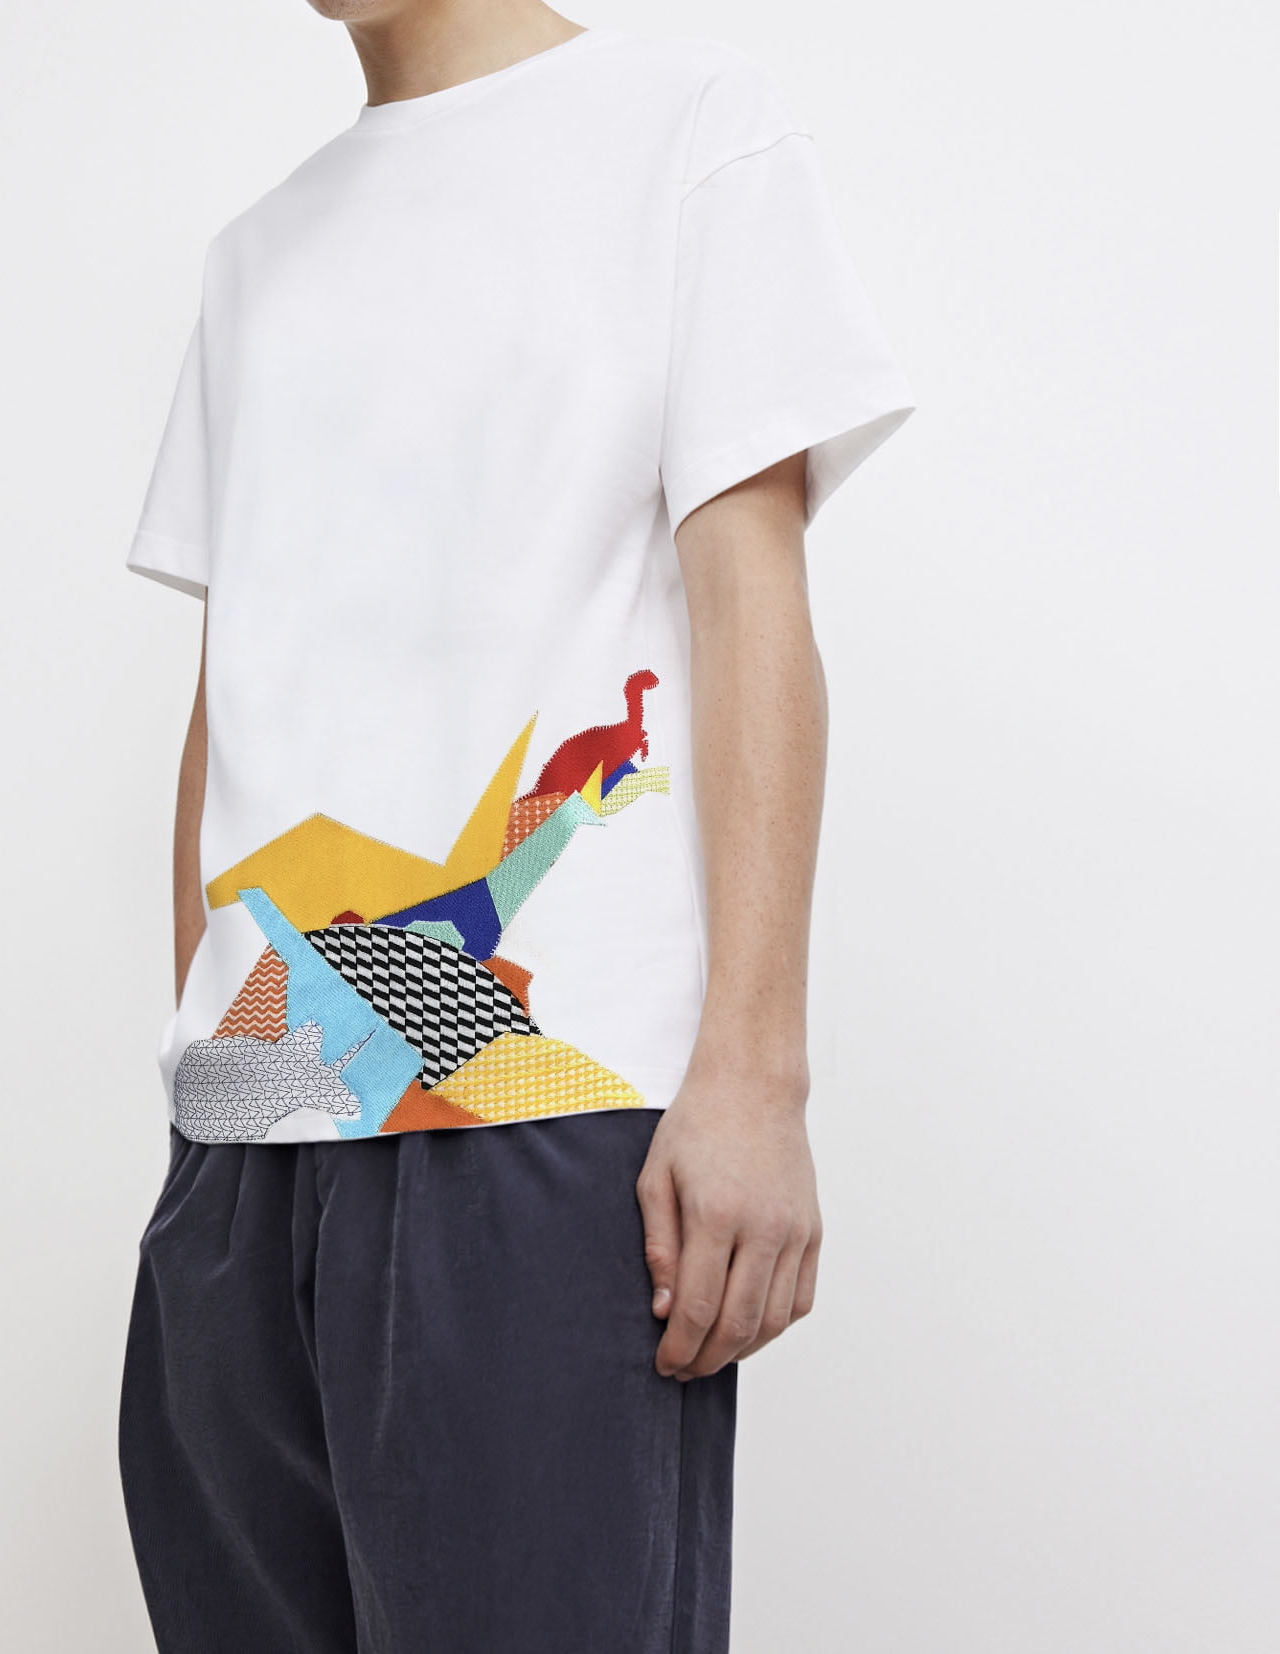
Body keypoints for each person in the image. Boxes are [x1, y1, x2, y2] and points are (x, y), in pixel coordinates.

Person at [117, 2, 914, 1648]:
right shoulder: (255, 255)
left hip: (542, 1116)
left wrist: (753, 1077)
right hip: (246, 1132)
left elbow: (750, 603)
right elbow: (232, 686)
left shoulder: (685, 127)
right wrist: (196, 1094)